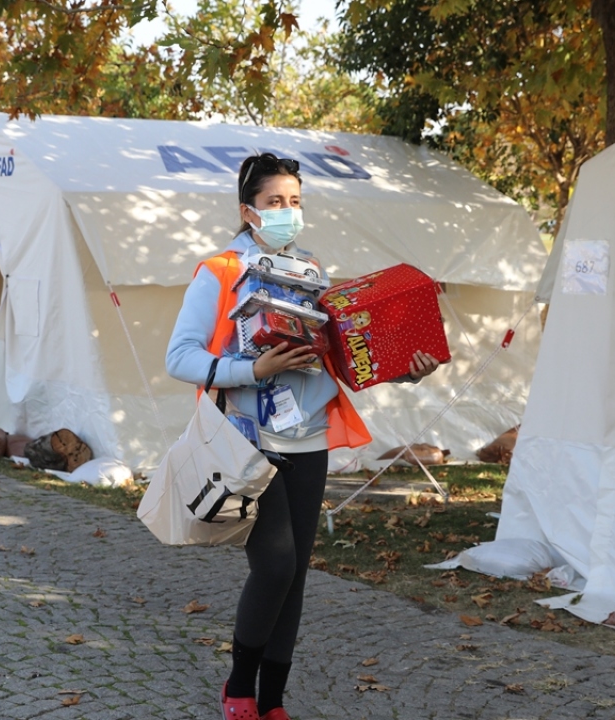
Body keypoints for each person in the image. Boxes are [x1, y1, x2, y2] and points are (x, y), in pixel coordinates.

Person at [166, 153, 440, 720]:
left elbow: (344, 355)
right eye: (274, 201)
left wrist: (405, 368)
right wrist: (252, 370)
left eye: (295, 201)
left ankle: (272, 701)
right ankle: (238, 689)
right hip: (250, 442)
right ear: (248, 211)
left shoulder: (312, 271)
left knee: (294, 577)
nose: (287, 211)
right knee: (275, 567)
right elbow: (179, 357)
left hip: (309, 438)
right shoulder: (219, 271)